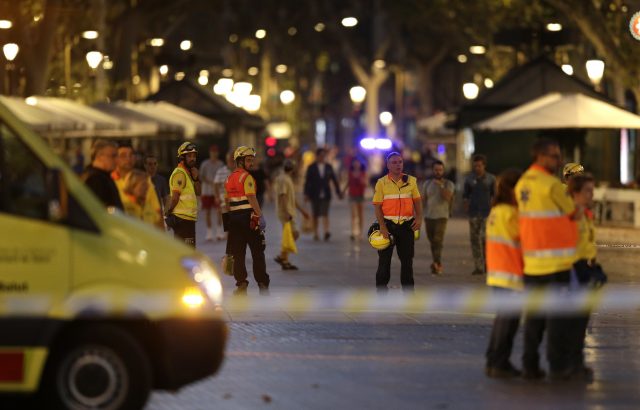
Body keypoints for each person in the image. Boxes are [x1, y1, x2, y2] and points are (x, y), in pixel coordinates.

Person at [515, 138, 578, 380]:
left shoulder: (523, 182)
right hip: (555, 263)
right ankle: (558, 365)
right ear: (540, 156)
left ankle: (530, 364)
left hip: (531, 262)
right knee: (557, 319)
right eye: (554, 156)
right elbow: (573, 213)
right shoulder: (551, 185)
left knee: (534, 319)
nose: (558, 160)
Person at [484, 169, 524, 379]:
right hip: (511, 274)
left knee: (503, 319)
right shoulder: (510, 213)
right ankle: (499, 362)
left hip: (498, 273)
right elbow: (524, 240)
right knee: (508, 322)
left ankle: (494, 359)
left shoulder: (497, 211)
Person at [567, 173, 601, 380]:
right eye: (587, 190)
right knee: (573, 322)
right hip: (573, 270)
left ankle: (576, 363)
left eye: (592, 190)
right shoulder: (569, 214)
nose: (592, 194)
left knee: (582, 322)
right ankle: (569, 365)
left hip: (586, 269)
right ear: (576, 192)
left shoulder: (586, 214)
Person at [372, 151, 423, 292]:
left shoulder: (411, 181)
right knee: (384, 261)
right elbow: (377, 206)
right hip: (388, 226)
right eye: (394, 162)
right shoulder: (381, 183)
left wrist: (419, 218)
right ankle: (381, 290)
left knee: (407, 261)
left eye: (400, 162)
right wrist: (382, 226)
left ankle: (408, 292)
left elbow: (417, 201)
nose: (398, 165)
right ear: (388, 165)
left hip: (407, 226)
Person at [225, 146, 270, 295]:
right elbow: (251, 197)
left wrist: (227, 226)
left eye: (252, 160)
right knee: (257, 253)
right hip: (249, 220)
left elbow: (226, 203)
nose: (251, 163)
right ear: (240, 161)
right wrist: (260, 215)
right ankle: (262, 284)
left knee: (238, 255)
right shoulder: (247, 177)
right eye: (248, 160)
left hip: (234, 220)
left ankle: (241, 285)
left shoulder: (229, 178)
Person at [112, 144, 162, 227]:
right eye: (123, 155)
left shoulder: (145, 179)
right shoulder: (109, 180)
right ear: (115, 158)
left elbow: (157, 212)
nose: (128, 159)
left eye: (131, 155)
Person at [274, 159, 310, 270]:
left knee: (289, 235)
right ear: (293, 169)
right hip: (286, 212)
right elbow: (283, 196)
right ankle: (282, 256)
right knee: (295, 233)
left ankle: (284, 259)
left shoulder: (285, 178)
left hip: (287, 211)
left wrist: (302, 211)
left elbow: (291, 199)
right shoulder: (284, 179)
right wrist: (287, 212)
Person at [463, 154, 496, 275]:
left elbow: (495, 195)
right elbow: (465, 196)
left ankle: (488, 264)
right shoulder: (469, 179)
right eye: (475, 166)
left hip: (486, 213)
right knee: (475, 240)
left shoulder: (491, 179)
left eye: (479, 166)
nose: (477, 168)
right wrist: (466, 208)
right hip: (473, 214)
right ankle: (478, 266)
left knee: (485, 239)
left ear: (484, 166)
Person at [422, 160, 455, 275]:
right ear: (433, 170)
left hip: (442, 216)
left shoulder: (448, 184)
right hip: (429, 216)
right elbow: (423, 200)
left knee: (438, 240)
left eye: (440, 170)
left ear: (443, 170)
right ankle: (435, 262)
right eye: (436, 170)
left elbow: (448, 197)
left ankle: (438, 263)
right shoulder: (427, 184)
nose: (438, 172)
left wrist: (441, 185)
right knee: (432, 241)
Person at [166, 142, 201, 247]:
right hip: (182, 221)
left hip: (188, 220)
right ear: (182, 157)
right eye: (189, 156)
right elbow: (175, 197)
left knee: (188, 252)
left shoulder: (188, 173)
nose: (193, 159)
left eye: (194, 156)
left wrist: (196, 179)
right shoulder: (180, 174)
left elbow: (198, 192)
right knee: (186, 253)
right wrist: (168, 213)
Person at [304, 147, 343, 241]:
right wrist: (306, 194)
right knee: (315, 214)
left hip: (326, 193)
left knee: (325, 213)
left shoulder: (328, 167)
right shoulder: (311, 167)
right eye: (320, 156)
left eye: (323, 156)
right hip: (314, 194)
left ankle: (326, 231)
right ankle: (316, 233)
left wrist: (338, 192)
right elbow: (307, 182)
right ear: (317, 156)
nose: (322, 157)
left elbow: (334, 180)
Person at [81, 139, 123, 210]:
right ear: (99, 156)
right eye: (113, 156)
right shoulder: (95, 179)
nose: (117, 160)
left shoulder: (103, 176)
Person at [199, 145, 224, 241]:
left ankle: (219, 231)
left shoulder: (221, 164)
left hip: (217, 191)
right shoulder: (205, 164)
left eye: (216, 152)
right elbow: (201, 176)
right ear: (210, 153)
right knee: (207, 212)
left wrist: (217, 182)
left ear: (218, 153)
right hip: (207, 191)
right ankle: (209, 232)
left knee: (219, 212)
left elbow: (223, 176)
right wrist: (210, 181)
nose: (214, 153)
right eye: (212, 152)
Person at [342, 157, 367, 241]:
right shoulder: (350, 172)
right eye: (355, 162)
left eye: (358, 162)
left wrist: (361, 180)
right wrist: (343, 191)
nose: (356, 164)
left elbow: (366, 183)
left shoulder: (363, 172)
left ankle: (360, 233)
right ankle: (353, 231)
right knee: (353, 214)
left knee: (360, 214)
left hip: (360, 195)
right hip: (352, 195)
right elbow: (348, 182)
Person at [214, 152, 234, 241]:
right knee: (226, 215)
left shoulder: (239, 171)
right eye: (229, 160)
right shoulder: (221, 171)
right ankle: (228, 233)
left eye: (233, 160)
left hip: (236, 198)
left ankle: (232, 233)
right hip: (224, 197)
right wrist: (217, 197)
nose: (231, 162)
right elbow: (216, 184)